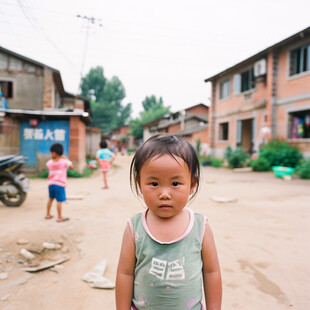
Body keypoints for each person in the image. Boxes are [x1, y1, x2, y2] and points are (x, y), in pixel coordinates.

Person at [115, 134, 222, 310]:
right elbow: (125, 274)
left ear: (192, 184)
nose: (165, 193)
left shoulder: (199, 226)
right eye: (154, 183)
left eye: (175, 183)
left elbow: (212, 272)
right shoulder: (135, 227)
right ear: (140, 183)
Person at [45, 143, 73, 222]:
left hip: (51, 184)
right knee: (59, 201)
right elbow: (71, 167)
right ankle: (60, 217)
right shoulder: (64, 161)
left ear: (54, 153)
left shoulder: (49, 162)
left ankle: (48, 214)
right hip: (60, 185)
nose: (50, 154)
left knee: (50, 199)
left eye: (51, 153)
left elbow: (48, 165)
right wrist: (66, 158)